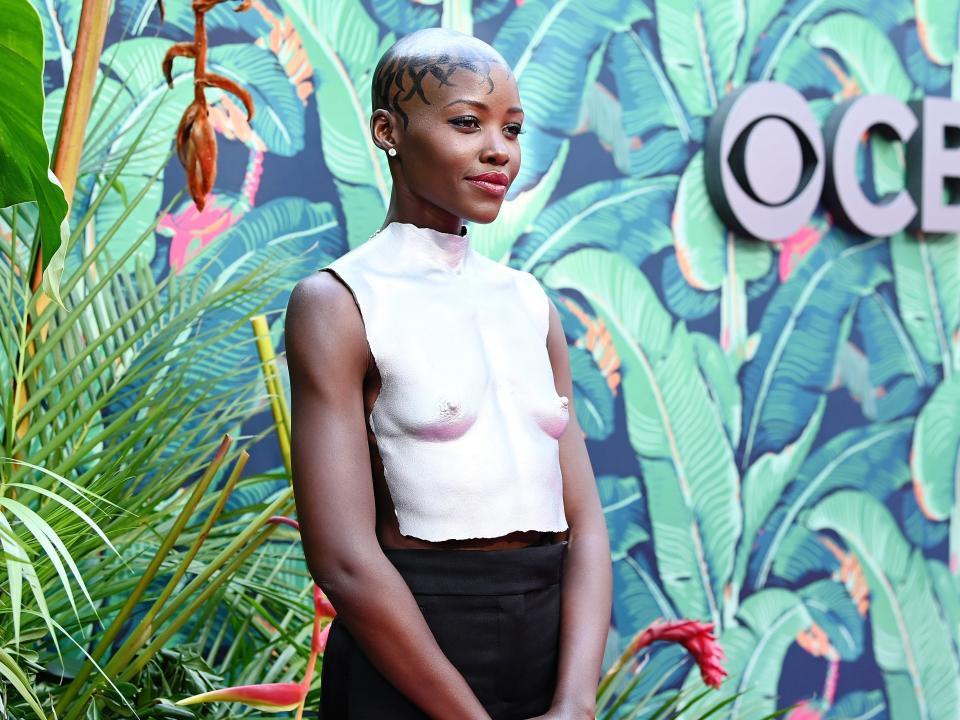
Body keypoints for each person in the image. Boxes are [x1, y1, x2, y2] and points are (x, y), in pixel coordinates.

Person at [284, 26, 612, 720]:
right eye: (468, 123)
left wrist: (577, 703)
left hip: (549, 642)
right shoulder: (338, 302)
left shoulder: (529, 302)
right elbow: (342, 557)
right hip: (411, 649)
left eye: (512, 129)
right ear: (387, 130)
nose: (500, 150)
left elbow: (584, 526)